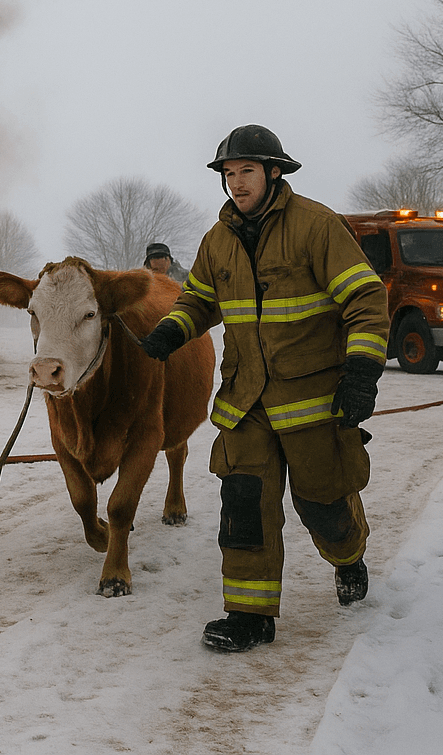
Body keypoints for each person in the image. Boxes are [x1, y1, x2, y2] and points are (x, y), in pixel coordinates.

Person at [137, 125, 387, 652]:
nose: (235, 183)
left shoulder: (317, 227)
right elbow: (198, 302)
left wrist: (362, 372)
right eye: (228, 174)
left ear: (275, 171)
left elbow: (365, 300)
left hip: (314, 403)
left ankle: (349, 557)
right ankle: (250, 616)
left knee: (324, 503)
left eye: (245, 171)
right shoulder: (217, 240)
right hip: (245, 400)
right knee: (244, 505)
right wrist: (169, 331)